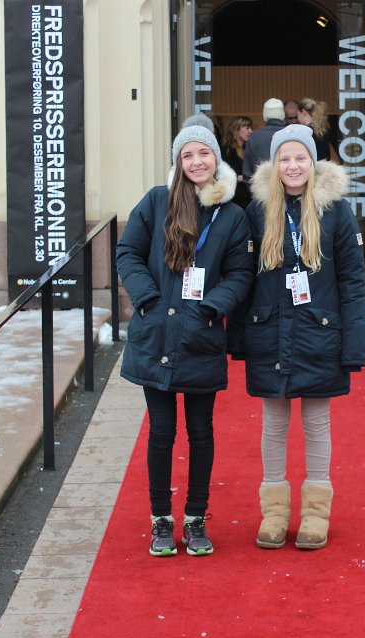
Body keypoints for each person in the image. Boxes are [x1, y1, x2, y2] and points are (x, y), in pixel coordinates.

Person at [116, 124, 254, 557]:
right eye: (188, 154)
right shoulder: (157, 201)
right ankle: (160, 519)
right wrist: (147, 298)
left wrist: (211, 308)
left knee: (200, 431)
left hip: (200, 336)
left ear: (216, 158)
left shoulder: (231, 215)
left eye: (204, 153)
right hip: (155, 332)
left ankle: (195, 518)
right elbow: (128, 253)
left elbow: (240, 274)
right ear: (178, 161)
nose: (197, 161)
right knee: (161, 431)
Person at [240, 125, 365, 550]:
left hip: (319, 332)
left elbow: (352, 282)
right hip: (269, 331)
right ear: (274, 164)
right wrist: (236, 339)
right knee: (274, 424)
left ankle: (316, 513)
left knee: (316, 422)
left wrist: (354, 346)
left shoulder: (337, 211)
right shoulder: (257, 210)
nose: (293, 166)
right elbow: (242, 277)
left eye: (300, 158)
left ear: (313, 162)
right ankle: (274, 513)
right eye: (285, 158)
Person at [242, 98, 287, 181]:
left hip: (261, 187)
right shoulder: (291, 135)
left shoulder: (254, 137)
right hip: (289, 187)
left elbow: (247, 174)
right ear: (283, 115)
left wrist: (257, 187)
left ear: (264, 115)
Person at [222, 115, 254, 209]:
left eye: (251, 128)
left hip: (248, 200)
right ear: (237, 129)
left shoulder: (249, 149)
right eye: (247, 128)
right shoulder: (226, 151)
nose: (251, 131)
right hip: (233, 200)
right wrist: (241, 177)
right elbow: (222, 176)